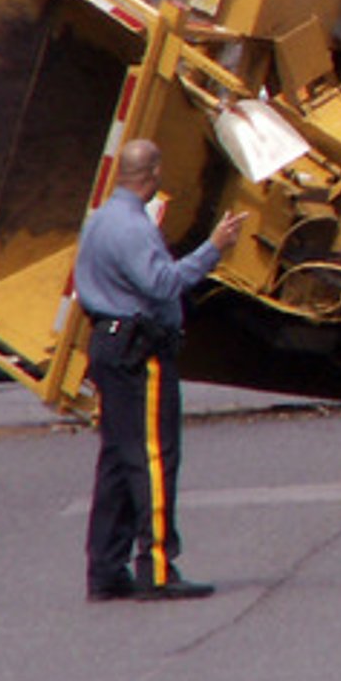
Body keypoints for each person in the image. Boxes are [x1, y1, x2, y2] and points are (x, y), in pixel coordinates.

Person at [74, 139, 247, 602]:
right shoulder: (133, 227)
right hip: (139, 350)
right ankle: (157, 567)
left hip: (109, 342)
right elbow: (163, 283)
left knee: (118, 458)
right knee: (153, 457)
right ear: (151, 174)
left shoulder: (100, 220)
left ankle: (106, 569)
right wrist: (214, 248)